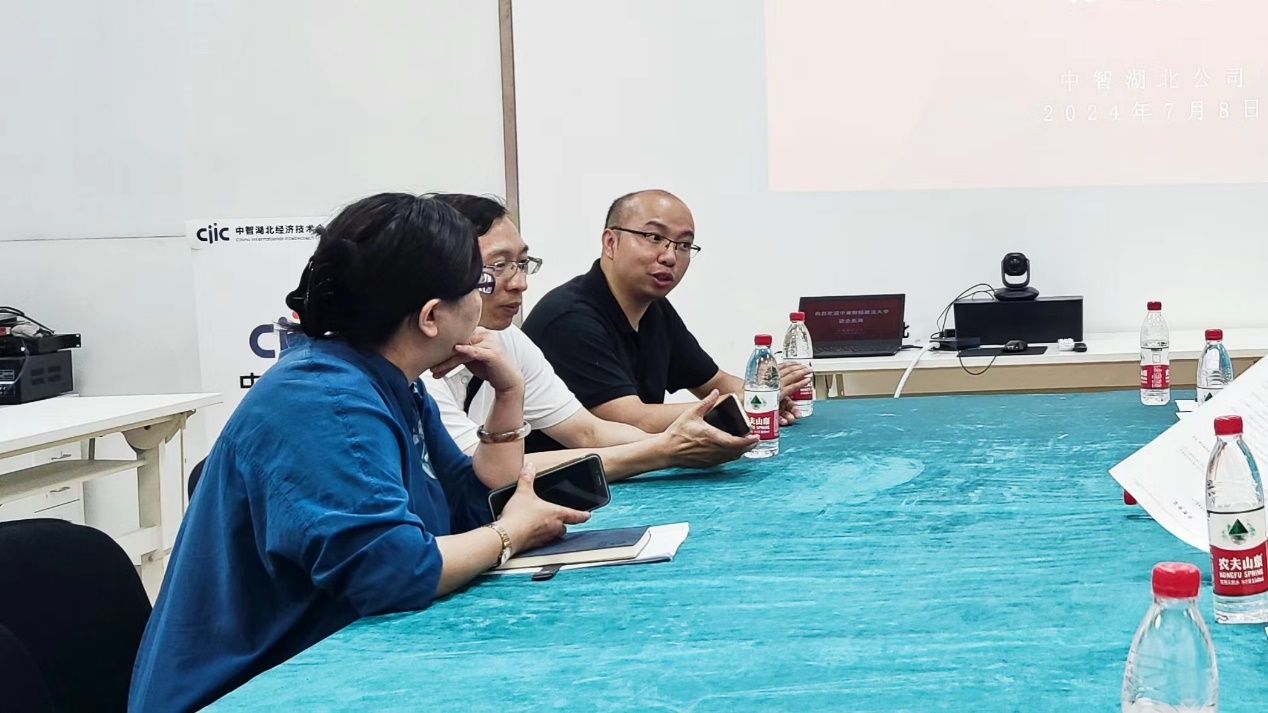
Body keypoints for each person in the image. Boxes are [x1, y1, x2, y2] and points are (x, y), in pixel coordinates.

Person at [129, 194, 588, 712]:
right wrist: (512, 534)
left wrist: (508, 395)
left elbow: (472, 503)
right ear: (432, 316)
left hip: (328, 666)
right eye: (476, 285)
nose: (489, 297)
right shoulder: (323, 402)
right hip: (245, 691)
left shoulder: (392, 383)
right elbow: (395, 572)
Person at [424, 193, 755, 481]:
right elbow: (488, 471)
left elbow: (587, 431)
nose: (520, 283)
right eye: (499, 266)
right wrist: (665, 450)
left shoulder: (507, 338)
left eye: (522, 263)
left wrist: (681, 443)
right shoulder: (417, 368)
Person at [522, 189, 812, 433]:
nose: (670, 256)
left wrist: (766, 400)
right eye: (653, 237)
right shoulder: (569, 319)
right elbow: (629, 419)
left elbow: (715, 382)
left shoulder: (654, 309)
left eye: (684, 245)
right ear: (610, 242)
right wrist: (744, 402)